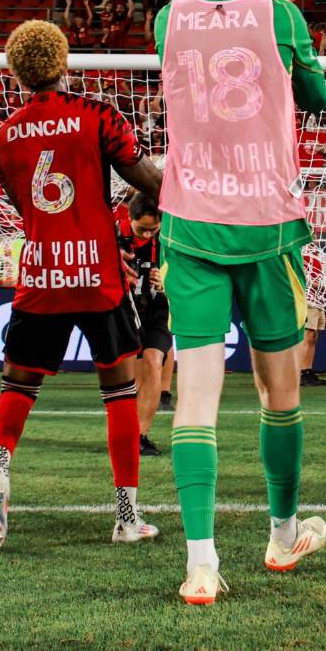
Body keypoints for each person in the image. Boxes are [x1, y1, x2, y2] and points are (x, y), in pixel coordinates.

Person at [154, 0, 326, 605]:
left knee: (195, 402)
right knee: (279, 395)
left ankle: (201, 565)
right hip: (267, 223)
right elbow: (315, 97)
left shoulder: (167, 17)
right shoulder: (282, 15)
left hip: (192, 222)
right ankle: (282, 534)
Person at [0, 19, 165, 549]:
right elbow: (145, 179)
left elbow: (23, 206)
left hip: (40, 274)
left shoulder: (2, 135)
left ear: (15, 72)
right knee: (119, 392)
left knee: (17, 386)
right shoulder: (96, 116)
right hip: (98, 274)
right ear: (64, 62)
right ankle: (126, 515)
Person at [124, 190, 175, 456]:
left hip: (157, 310)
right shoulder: (114, 238)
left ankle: (140, 436)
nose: (146, 235)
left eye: (152, 230)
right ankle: (126, 432)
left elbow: (182, 278)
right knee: (130, 377)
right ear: (129, 218)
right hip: (124, 311)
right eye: (141, 229)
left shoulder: (167, 241)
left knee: (155, 360)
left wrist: (166, 284)